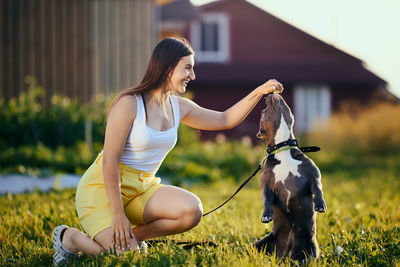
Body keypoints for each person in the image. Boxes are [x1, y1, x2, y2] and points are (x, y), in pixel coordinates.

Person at [52, 37, 283, 265]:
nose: (192, 76)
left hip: (142, 189)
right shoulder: (129, 104)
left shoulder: (178, 107)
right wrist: (118, 214)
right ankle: (70, 238)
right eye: (188, 68)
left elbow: (225, 119)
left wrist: (260, 92)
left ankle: (132, 239)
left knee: (192, 211)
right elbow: (109, 161)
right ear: (167, 68)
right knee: (127, 261)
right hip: (102, 189)